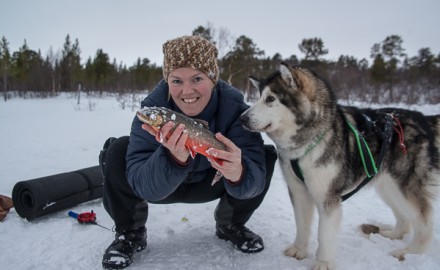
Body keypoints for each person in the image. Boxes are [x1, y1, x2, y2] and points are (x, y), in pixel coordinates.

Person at [100, 35, 277, 269]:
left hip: (211, 183)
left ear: (213, 78)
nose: (187, 91)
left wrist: (238, 172)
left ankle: (230, 224)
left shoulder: (235, 110)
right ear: (167, 81)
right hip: (163, 186)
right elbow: (144, 187)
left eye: (197, 78)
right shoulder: (152, 111)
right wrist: (172, 159)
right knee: (116, 150)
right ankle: (130, 233)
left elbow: (253, 183)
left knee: (263, 156)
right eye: (176, 81)